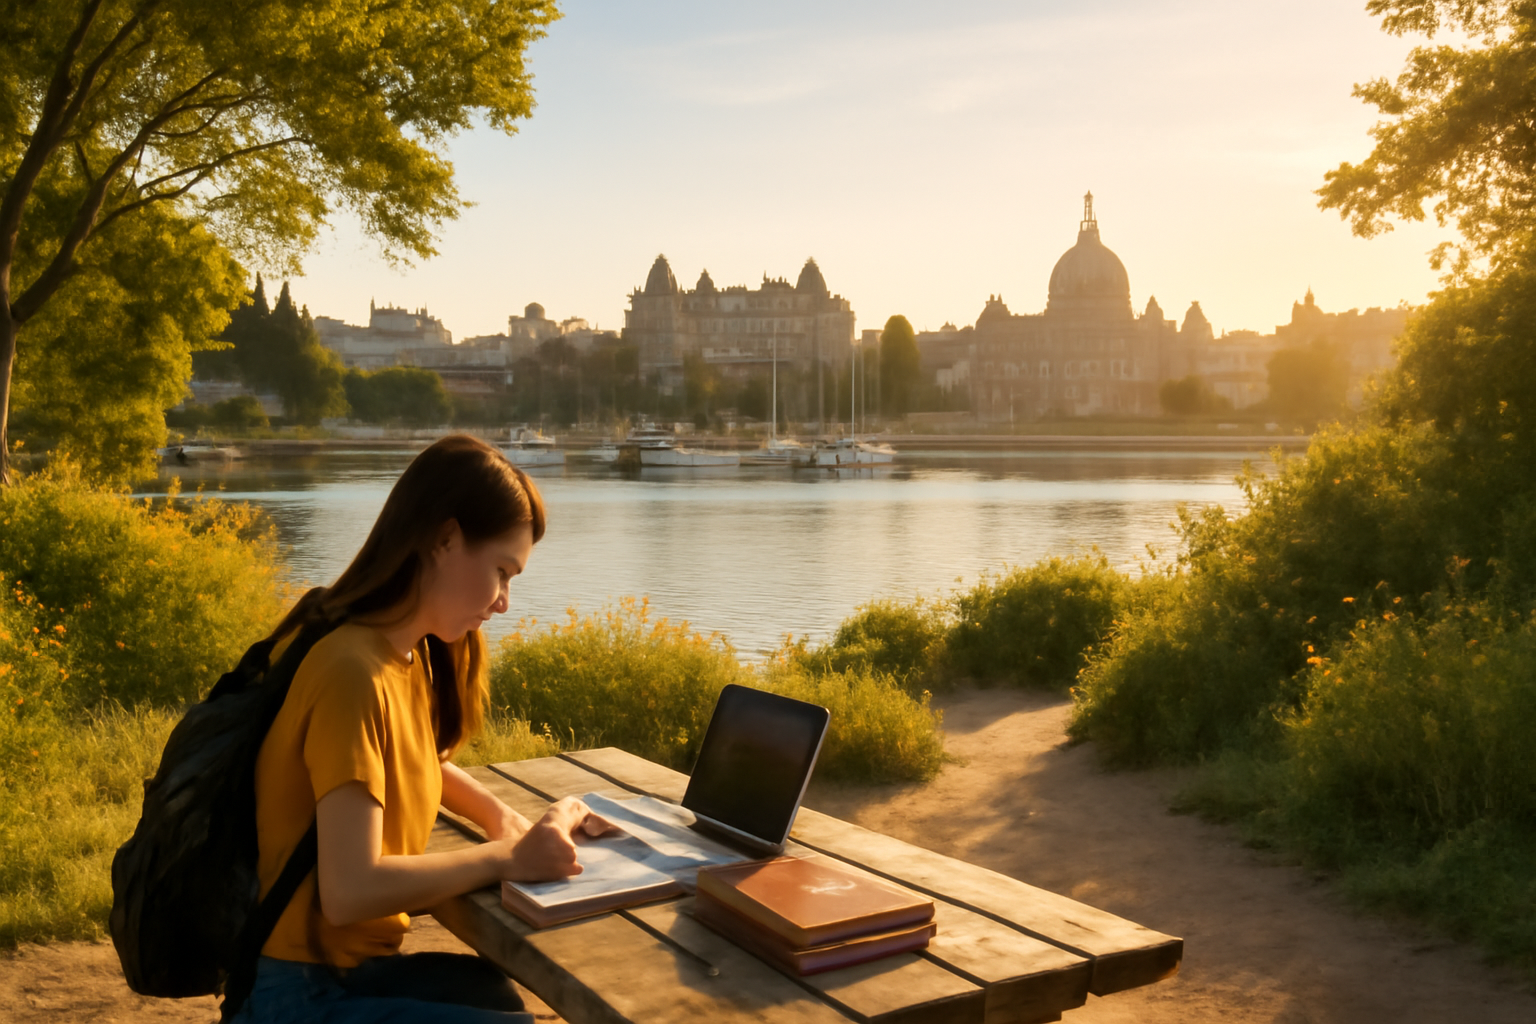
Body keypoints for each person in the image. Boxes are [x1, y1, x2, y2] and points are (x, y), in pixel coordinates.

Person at [233, 435, 607, 1023]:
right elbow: (350, 889)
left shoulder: (399, 655)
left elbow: (411, 757)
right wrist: (508, 857)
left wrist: (495, 815)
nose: (505, 601)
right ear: (445, 539)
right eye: (502, 572)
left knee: (494, 995)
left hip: (348, 971)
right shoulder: (350, 671)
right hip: (298, 993)